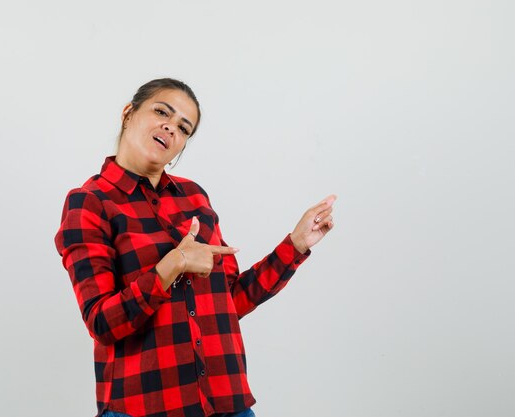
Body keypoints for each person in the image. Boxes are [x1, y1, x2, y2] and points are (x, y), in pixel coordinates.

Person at [54, 78, 337, 417]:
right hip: (146, 408)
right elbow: (102, 323)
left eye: (183, 128)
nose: (170, 128)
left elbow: (229, 302)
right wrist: (173, 264)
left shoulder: (194, 198)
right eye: (162, 112)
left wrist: (295, 245)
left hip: (227, 403)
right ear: (129, 113)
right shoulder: (90, 203)